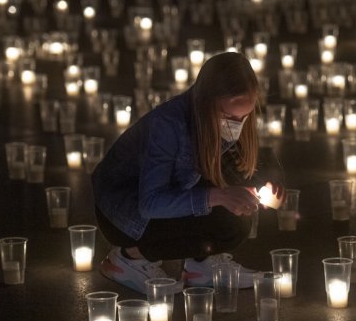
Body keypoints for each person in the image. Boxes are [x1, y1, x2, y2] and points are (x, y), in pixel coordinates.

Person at [92, 52, 285, 294]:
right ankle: (128, 259)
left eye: (244, 117)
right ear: (207, 102)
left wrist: (267, 184)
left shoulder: (221, 118)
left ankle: (201, 266)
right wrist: (219, 196)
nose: (237, 124)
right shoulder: (169, 126)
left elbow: (239, 161)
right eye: (229, 117)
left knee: (236, 215)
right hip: (124, 215)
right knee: (228, 221)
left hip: (168, 194)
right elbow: (150, 204)